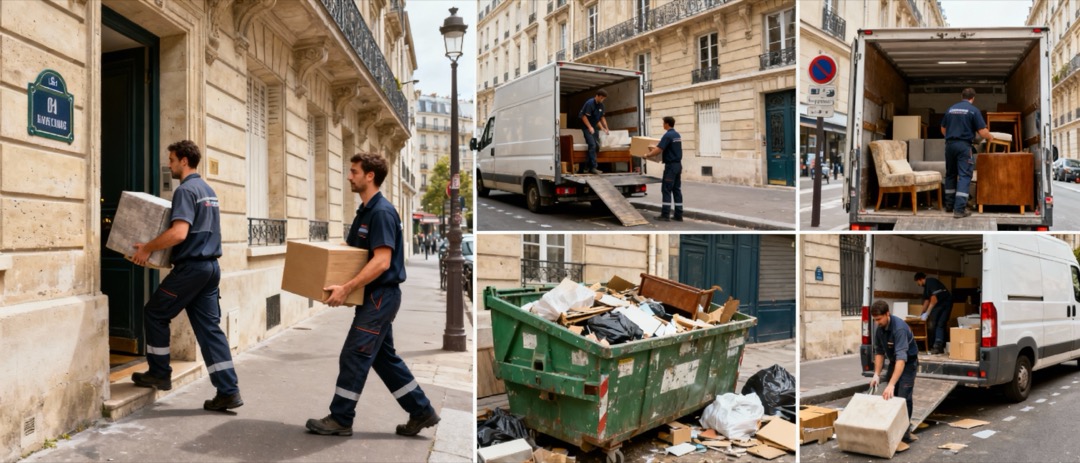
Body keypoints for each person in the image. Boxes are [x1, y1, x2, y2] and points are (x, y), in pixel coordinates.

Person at [306, 152, 440, 437]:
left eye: (354, 171)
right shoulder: (366, 211)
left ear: (370, 176)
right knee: (382, 358)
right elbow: (356, 252)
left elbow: (382, 261)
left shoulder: (381, 212)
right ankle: (421, 411)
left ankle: (341, 418)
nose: (349, 176)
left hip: (380, 297)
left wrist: (346, 288)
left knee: (354, 354)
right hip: (375, 297)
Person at [130, 140, 242, 411]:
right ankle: (228, 391)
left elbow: (179, 233)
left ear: (184, 161)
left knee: (155, 313)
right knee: (210, 329)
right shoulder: (208, 190)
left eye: (171, 160)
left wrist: (147, 248)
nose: (169, 165)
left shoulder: (185, 190)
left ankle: (159, 373)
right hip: (210, 268)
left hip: (192, 269)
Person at [868, 300, 919, 444]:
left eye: (879, 319)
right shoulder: (880, 329)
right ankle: (891, 428)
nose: (877, 322)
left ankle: (905, 433)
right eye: (875, 319)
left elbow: (901, 360)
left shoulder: (899, 329)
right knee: (891, 395)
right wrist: (876, 374)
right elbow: (879, 352)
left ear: (887, 314)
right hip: (894, 361)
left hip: (908, 363)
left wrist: (891, 384)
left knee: (903, 397)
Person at [941, 88, 993, 219]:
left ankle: (949, 205)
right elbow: (982, 132)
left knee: (950, 174)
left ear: (961, 96)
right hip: (963, 146)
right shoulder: (973, 110)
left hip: (950, 146)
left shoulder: (950, 109)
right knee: (964, 176)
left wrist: (951, 137)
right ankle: (959, 210)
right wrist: (990, 137)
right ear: (973, 98)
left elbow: (943, 129)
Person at [647, 116, 683, 221]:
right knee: (676, 190)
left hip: (671, 167)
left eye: (663, 123)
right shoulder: (677, 135)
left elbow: (659, 149)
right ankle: (678, 215)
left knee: (666, 189)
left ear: (667, 124)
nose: (663, 125)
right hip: (678, 165)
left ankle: (665, 215)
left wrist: (648, 155)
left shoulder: (667, 135)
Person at [915, 272, 952, 354]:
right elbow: (926, 301)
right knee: (935, 324)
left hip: (945, 303)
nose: (918, 284)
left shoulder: (931, 282)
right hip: (939, 304)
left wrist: (927, 313)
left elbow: (934, 300)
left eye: (918, 282)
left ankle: (938, 345)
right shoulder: (926, 288)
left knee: (939, 324)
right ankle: (934, 344)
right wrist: (921, 314)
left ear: (920, 279)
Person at [579, 89, 610, 175]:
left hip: (594, 127)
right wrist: (589, 127)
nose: (602, 100)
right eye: (602, 98)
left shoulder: (601, 105)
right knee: (592, 145)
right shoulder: (590, 103)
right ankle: (593, 167)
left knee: (596, 146)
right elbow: (584, 116)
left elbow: (601, 118)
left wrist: (605, 128)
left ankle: (585, 167)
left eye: (604, 99)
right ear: (597, 96)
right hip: (586, 127)